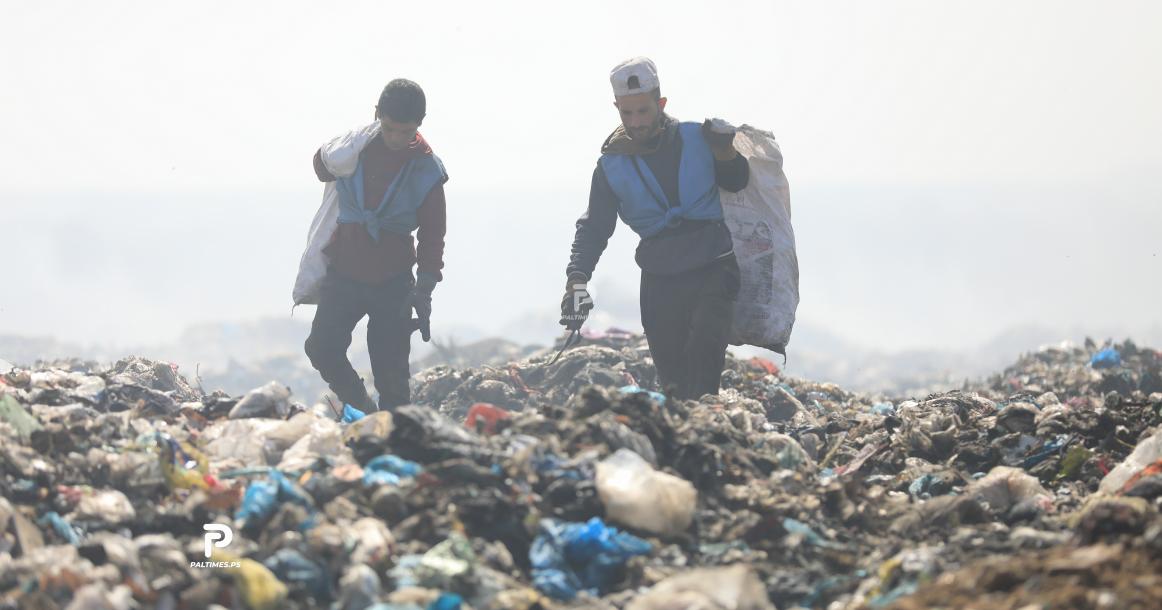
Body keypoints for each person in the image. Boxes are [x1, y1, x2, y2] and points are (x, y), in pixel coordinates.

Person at [561, 57, 749, 400]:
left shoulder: (699, 138)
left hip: (713, 265)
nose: (636, 122)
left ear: (660, 104)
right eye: (627, 113)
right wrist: (577, 278)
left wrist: (725, 153)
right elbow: (595, 227)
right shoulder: (610, 165)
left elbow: (737, 182)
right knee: (673, 380)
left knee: (704, 362)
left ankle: (704, 427)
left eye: (643, 112)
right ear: (616, 107)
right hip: (661, 275)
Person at [305, 79, 447, 412]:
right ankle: (363, 408)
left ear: (419, 125)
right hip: (345, 272)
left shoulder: (426, 168)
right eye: (390, 129)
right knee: (321, 348)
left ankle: (394, 442)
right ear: (377, 116)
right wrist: (335, 149)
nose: (397, 138)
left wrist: (424, 288)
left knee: (392, 378)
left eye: (406, 131)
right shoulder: (355, 148)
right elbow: (320, 166)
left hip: (394, 282)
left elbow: (433, 232)